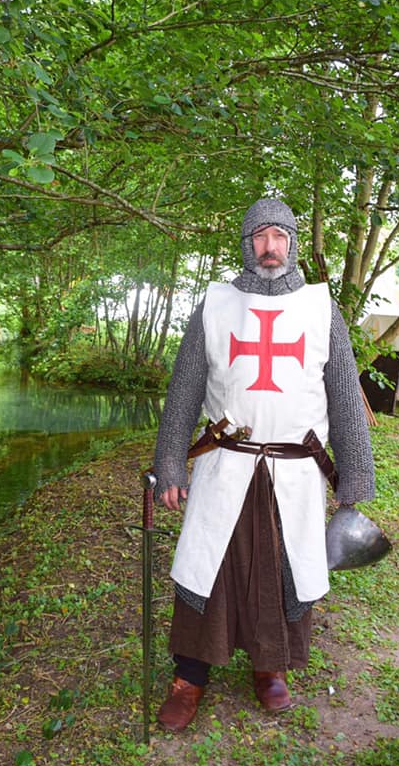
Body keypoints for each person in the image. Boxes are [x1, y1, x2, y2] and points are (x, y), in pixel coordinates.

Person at [153, 197, 375, 732]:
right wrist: (170, 465)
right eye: (260, 236)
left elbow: (345, 398)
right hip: (224, 466)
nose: (270, 247)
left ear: (293, 242)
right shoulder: (216, 304)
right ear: (247, 243)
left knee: (284, 569)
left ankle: (270, 667)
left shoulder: (321, 309)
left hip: (294, 472)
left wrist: (355, 480)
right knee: (208, 566)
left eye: (279, 236)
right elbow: (184, 392)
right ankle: (189, 678)